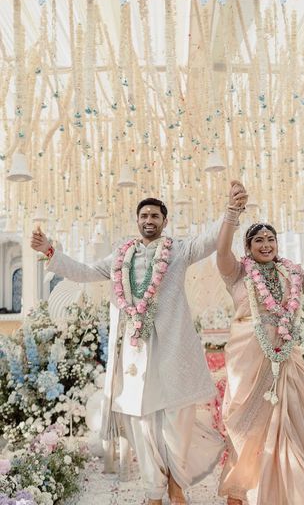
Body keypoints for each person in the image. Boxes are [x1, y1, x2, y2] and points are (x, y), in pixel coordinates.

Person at [30, 187, 244, 505]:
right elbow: (86, 272)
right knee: (143, 425)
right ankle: (153, 492)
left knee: (177, 422)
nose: (148, 220)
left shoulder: (178, 252)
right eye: (143, 215)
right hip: (136, 355)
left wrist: (231, 211)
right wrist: (50, 251)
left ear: (164, 221)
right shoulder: (121, 257)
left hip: (174, 349)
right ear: (137, 220)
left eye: (154, 215)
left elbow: (209, 240)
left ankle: (176, 484)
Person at [216, 187, 304, 505]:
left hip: (286, 359)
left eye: (270, 239)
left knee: (290, 424)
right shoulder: (237, 274)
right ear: (248, 246)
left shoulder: (293, 274)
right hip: (249, 359)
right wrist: (232, 213)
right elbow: (221, 253)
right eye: (258, 240)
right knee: (245, 425)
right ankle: (240, 487)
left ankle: (293, 491)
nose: (266, 244)